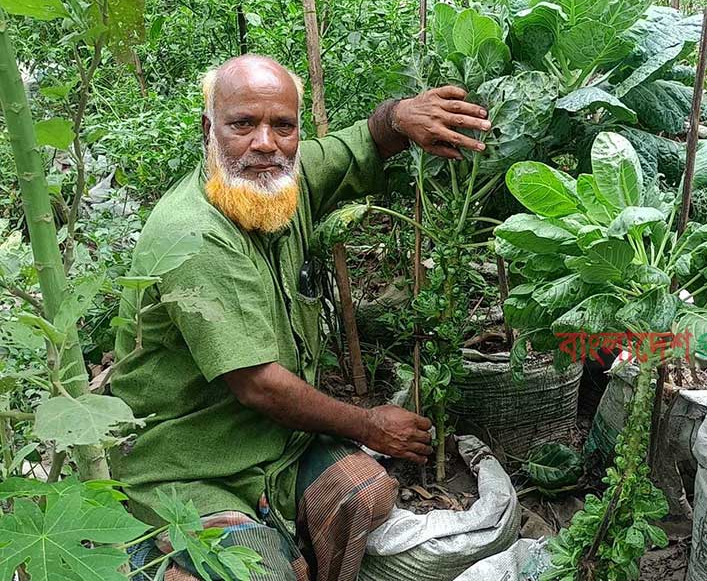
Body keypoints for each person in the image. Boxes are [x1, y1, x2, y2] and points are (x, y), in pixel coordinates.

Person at [111, 54, 491, 581]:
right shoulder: (191, 235)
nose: (265, 142)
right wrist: (371, 425)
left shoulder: (277, 180)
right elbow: (260, 386)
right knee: (260, 573)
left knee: (364, 492)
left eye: (282, 126)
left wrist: (400, 117)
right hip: (191, 463)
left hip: (277, 448)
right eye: (243, 124)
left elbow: (356, 146)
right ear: (209, 129)